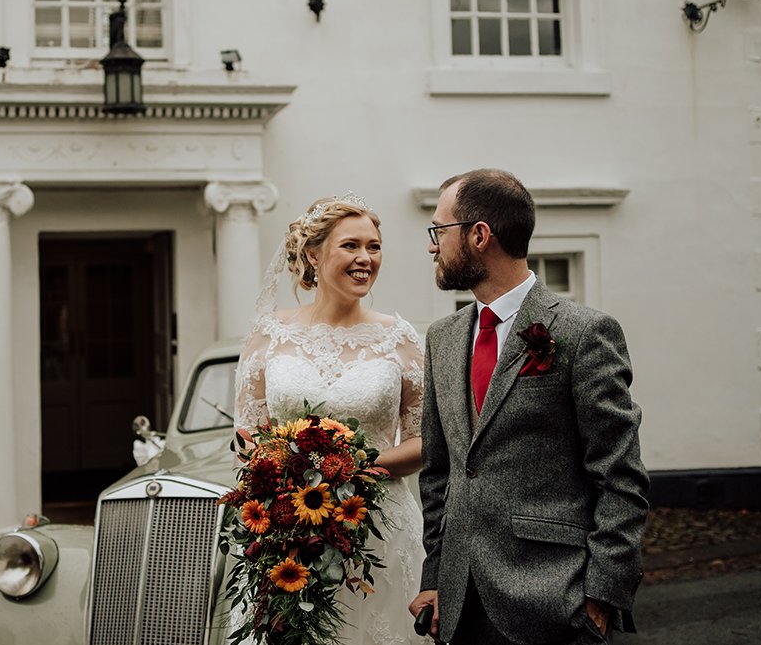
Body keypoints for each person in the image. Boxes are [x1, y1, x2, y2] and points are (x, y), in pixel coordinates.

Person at [408, 169, 649, 645]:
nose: (432, 246)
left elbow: (621, 474)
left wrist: (601, 595)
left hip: (554, 601)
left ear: (479, 235)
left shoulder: (583, 334)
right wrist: (435, 577)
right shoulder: (442, 337)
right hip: (457, 608)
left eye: (439, 230)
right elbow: (441, 473)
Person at [235, 193, 429, 645]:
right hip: (289, 531)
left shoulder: (399, 339)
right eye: (351, 246)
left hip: (380, 527)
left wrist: (353, 470)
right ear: (313, 255)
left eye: (374, 246)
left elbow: (426, 440)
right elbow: (247, 436)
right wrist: (286, 486)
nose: (365, 258)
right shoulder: (269, 334)